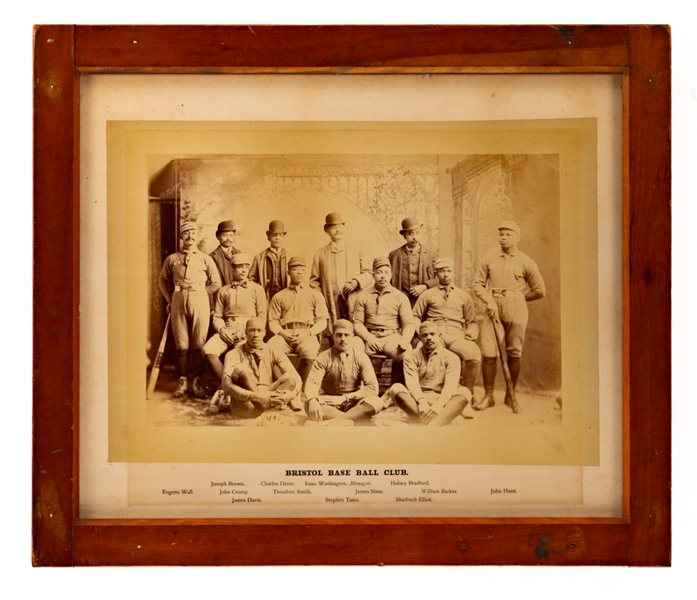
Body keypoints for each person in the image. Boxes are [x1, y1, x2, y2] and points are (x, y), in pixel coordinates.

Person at [472, 220, 546, 413]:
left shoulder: (525, 261)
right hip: (492, 306)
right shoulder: (489, 258)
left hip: (516, 308)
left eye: (508, 234)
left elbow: (539, 290)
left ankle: (510, 395)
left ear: (517, 237)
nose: (503, 238)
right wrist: (488, 300)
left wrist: (519, 297)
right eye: (501, 234)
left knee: (514, 351)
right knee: (488, 351)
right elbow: (477, 284)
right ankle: (488, 396)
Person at [157, 221, 221, 398]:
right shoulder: (172, 259)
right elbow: (162, 280)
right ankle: (183, 381)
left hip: (200, 300)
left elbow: (216, 282)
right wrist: (170, 299)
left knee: (198, 343)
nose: (190, 236)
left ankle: (196, 382)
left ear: (198, 236)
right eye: (186, 233)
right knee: (181, 343)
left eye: (193, 232)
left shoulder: (205, 258)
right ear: (181, 237)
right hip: (178, 300)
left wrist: (201, 293)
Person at [411, 257, 481, 398]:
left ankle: (466, 395)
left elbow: (471, 321)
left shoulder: (463, 296)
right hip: (435, 334)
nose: (446, 274)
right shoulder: (427, 294)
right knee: (419, 349)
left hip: (457, 335)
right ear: (436, 274)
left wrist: (473, 330)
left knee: (473, 352)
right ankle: (424, 394)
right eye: (442, 271)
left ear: (454, 273)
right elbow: (415, 316)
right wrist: (421, 332)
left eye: (449, 271)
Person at [383, 321, 471, 426]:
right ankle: (437, 421)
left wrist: (440, 404)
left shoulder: (452, 357)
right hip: (417, 400)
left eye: (432, 334)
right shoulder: (411, 356)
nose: (429, 338)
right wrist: (421, 402)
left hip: (441, 398)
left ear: (439, 336)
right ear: (420, 338)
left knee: (465, 392)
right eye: (425, 335)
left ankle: (430, 424)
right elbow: (412, 383)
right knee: (395, 388)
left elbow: (450, 386)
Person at [210, 317, 302, 417]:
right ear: (246, 332)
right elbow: (226, 386)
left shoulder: (273, 350)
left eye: (259, 330)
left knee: (291, 379)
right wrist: (257, 397)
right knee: (241, 370)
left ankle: (264, 411)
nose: (256, 335)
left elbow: (296, 377)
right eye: (252, 330)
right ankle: (267, 410)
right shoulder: (233, 354)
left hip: (268, 396)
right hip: (246, 403)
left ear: (264, 333)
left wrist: (292, 395)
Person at [202, 253, 266, 387]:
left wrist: (247, 332)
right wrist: (222, 330)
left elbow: (261, 317)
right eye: (239, 267)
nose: (243, 270)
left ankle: (238, 390)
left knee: (242, 358)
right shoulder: (223, 291)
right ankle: (226, 385)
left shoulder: (257, 289)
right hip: (228, 328)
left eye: (246, 267)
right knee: (208, 350)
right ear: (232, 269)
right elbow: (217, 316)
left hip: (247, 330)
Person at [303, 320, 381, 425]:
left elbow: (373, 388)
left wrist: (345, 398)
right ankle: (359, 419)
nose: (343, 339)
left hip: (355, 401)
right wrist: (312, 399)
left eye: (346, 335)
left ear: (352, 337)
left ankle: (332, 423)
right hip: (330, 402)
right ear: (333, 336)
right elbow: (312, 382)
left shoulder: (361, 357)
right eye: (339, 335)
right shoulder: (323, 357)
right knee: (309, 405)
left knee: (376, 402)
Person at [351, 257, 416, 384]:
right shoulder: (363, 296)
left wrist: (405, 339)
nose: (383, 276)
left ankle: (397, 392)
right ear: (373, 274)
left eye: (386, 272)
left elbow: (409, 323)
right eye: (379, 272)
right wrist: (368, 337)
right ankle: (354, 390)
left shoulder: (400, 297)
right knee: (351, 348)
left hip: (391, 337)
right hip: (368, 337)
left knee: (407, 354)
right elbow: (357, 323)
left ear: (391, 275)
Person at [267, 257, 329, 386]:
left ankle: (300, 388)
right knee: (270, 348)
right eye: (295, 269)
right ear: (288, 272)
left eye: (302, 269)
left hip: (306, 334)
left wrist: (308, 333)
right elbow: (272, 322)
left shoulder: (315, 295)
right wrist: (283, 333)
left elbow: (322, 321)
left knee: (310, 350)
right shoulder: (279, 296)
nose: (299, 272)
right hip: (284, 335)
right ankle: (281, 385)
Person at [309, 212, 373, 330]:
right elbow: (314, 281)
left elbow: (369, 273)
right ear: (327, 231)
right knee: (334, 332)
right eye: (333, 227)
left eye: (340, 226)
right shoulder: (320, 254)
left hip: (354, 298)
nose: (337, 230)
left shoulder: (356, 249)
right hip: (331, 301)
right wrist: (322, 299)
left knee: (355, 330)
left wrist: (357, 282)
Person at [388, 216, 438, 307]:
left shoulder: (431, 255)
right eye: (410, 234)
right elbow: (386, 278)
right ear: (404, 236)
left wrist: (425, 286)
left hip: (425, 302)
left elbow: (439, 278)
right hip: (399, 303)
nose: (415, 237)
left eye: (417, 233)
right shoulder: (394, 255)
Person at [249, 220, 289, 303]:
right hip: (267, 298)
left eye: (281, 235)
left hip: (286, 298)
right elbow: (251, 280)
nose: (277, 238)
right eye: (274, 235)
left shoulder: (290, 257)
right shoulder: (260, 257)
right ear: (268, 237)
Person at [209, 220, 241, 288]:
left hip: (237, 294)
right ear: (218, 237)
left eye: (231, 235)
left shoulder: (239, 254)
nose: (228, 238)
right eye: (224, 235)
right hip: (220, 294)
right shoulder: (211, 257)